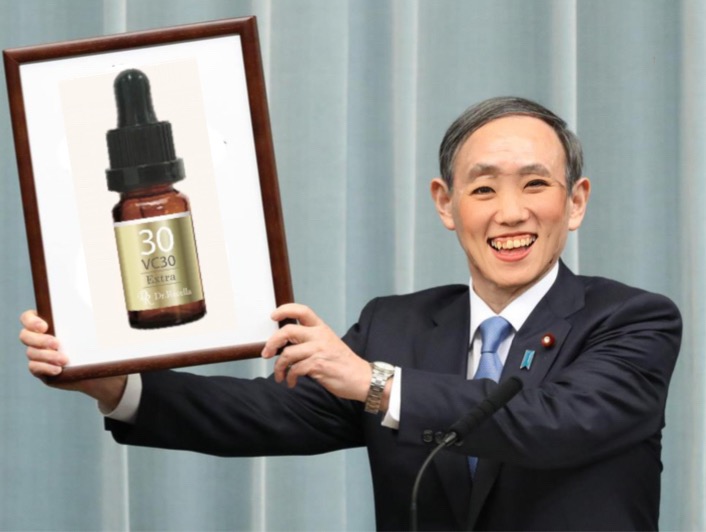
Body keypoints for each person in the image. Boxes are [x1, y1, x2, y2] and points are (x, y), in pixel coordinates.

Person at [20, 96, 681, 531]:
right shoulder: (396, 325)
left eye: (535, 184)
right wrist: (118, 383)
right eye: (483, 188)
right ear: (446, 204)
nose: (510, 212)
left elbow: (555, 423)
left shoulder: (635, 320)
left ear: (575, 202)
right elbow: (269, 413)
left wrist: (376, 383)